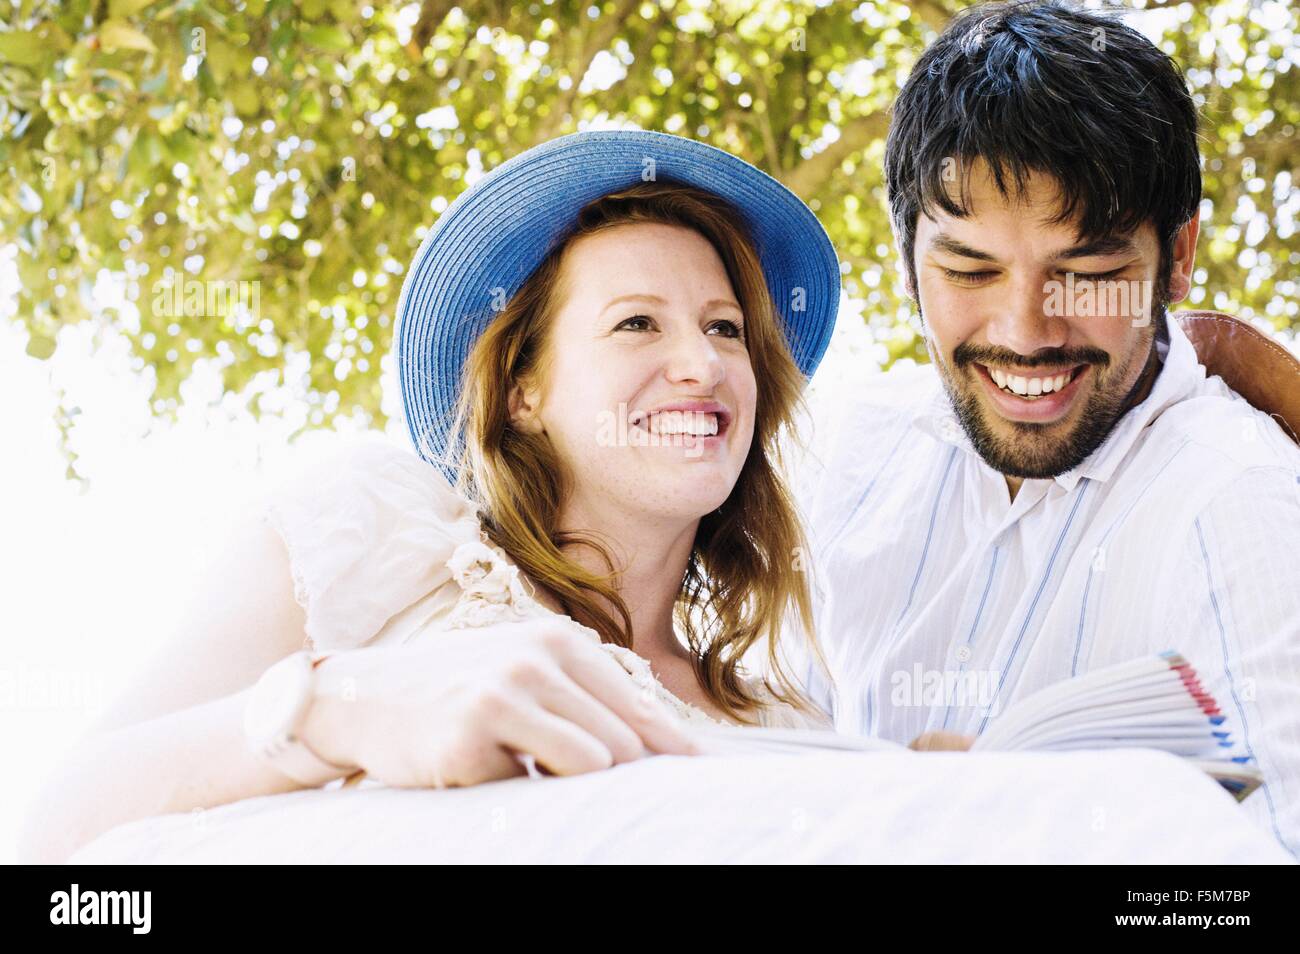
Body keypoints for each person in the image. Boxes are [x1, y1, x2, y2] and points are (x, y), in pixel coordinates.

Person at [18, 129, 843, 863]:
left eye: (725, 328)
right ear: (524, 392)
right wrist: (344, 707)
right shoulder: (371, 539)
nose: (702, 365)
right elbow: (56, 834)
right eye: (637, 323)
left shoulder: (787, 727)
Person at [781, 0, 1300, 856]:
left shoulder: (1239, 509)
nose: (1026, 332)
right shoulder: (850, 457)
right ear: (906, 252)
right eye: (969, 267)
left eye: (1088, 270)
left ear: (1177, 259)